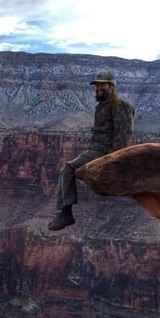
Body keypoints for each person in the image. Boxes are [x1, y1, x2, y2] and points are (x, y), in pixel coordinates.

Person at [48, 69, 135, 231]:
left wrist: (113, 162)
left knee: (67, 169)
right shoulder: (102, 107)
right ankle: (65, 212)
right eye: (96, 86)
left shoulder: (121, 106)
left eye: (102, 86)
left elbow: (122, 137)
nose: (98, 89)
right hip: (95, 149)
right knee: (68, 169)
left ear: (112, 86)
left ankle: (66, 213)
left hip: (105, 152)